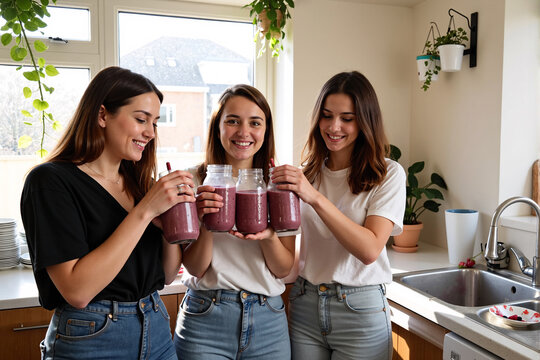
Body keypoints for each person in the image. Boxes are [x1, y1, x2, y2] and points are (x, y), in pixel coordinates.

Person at [20, 66, 195, 360]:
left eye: (155, 123)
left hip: (155, 325)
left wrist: (170, 223)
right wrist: (145, 212)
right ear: (102, 115)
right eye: (141, 119)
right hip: (91, 335)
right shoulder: (50, 182)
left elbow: (165, 276)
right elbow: (77, 291)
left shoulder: (140, 185)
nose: (150, 133)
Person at [271, 71, 406, 360]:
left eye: (347, 118)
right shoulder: (308, 174)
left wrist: (315, 197)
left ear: (365, 121)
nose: (334, 127)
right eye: (327, 115)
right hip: (306, 304)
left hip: (359, 310)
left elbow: (369, 249)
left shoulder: (388, 174)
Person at [173, 84, 296, 359]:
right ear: (217, 127)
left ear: (266, 130)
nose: (243, 132)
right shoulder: (193, 181)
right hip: (205, 318)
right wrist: (205, 223)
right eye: (232, 121)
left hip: (268, 322)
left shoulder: (279, 184)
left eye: (255, 122)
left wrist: (269, 236)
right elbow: (195, 267)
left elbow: (284, 268)